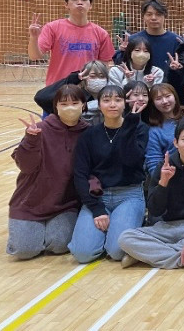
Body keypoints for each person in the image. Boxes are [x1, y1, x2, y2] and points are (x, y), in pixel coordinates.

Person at [118, 117, 184, 272]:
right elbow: (155, 210)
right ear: (176, 142)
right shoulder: (164, 166)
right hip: (167, 227)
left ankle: (147, 255)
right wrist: (163, 183)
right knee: (125, 238)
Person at [7, 85, 90, 259]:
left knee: (59, 245)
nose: (69, 108)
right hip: (30, 202)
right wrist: (31, 141)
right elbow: (26, 166)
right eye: (64, 104)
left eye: (75, 103)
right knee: (24, 251)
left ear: (83, 105)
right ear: (56, 106)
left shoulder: (88, 132)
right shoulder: (38, 129)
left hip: (64, 205)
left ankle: (43, 233)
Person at [68, 85, 148, 263]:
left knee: (116, 251)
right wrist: (97, 209)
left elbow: (132, 160)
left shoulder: (139, 128)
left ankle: (132, 222)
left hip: (129, 195)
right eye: (106, 100)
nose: (112, 104)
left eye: (118, 100)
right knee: (82, 254)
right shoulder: (89, 135)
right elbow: (81, 174)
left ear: (125, 104)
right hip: (98, 196)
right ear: (99, 105)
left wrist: (129, 126)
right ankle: (111, 228)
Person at [27, 0, 114, 86]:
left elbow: (104, 66)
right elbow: (34, 56)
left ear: (90, 5)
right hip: (58, 88)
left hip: (87, 89)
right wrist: (33, 38)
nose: (80, 2)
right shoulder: (52, 28)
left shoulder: (101, 33)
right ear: (66, 4)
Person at [34, 60, 110, 124]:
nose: (97, 79)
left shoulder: (111, 96)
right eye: (93, 76)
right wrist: (72, 80)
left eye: (101, 76)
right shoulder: (75, 96)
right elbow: (41, 97)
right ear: (84, 77)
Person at [128, 0, 182, 73]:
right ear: (143, 16)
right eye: (149, 14)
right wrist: (121, 52)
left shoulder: (176, 41)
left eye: (158, 14)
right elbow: (123, 64)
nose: (153, 18)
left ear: (165, 16)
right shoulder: (133, 40)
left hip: (168, 80)